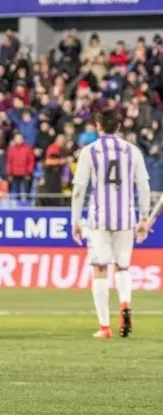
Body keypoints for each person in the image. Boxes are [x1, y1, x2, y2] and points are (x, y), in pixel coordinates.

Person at [71, 112, 151, 339]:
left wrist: (75, 221)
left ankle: (105, 327)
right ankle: (125, 301)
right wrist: (144, 218)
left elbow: (79, 189)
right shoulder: (132, 151)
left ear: (98, 126)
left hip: (99, 219)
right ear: (119, 126)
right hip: (126, 217)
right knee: (122, 267)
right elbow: (144, 186)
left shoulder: (90, 151)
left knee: (99, 269)